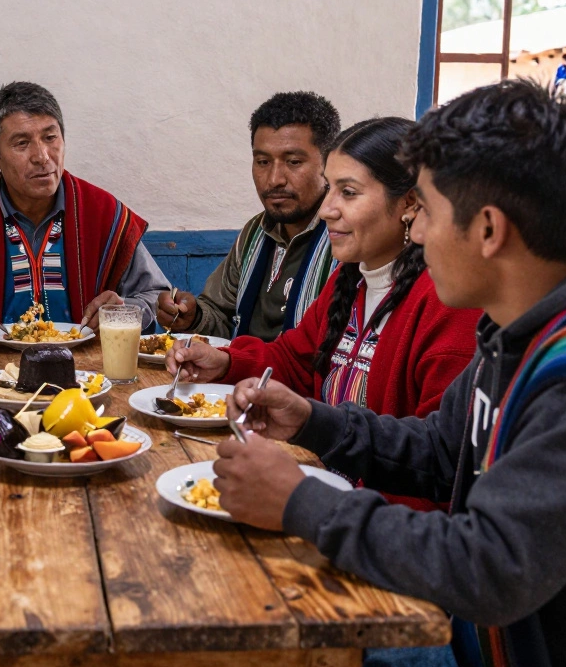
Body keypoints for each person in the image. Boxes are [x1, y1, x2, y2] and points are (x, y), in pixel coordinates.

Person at [214, 80, 566, 667]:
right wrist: (313, 420)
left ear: (487, 229)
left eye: (425, 208)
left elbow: (491, 567)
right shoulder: (524, 328)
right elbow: (440, 449)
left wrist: (300, 501)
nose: (417, 232)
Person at [168, 117, 480, 511]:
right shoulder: (351, 281)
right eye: (330, 188)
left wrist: (312, 503)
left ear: (410, 203)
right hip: (325, 500)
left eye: (348, 193)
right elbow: (294, 360)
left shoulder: (448, 305)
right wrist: (226, 362)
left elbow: (436, 467)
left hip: (375, 529)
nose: (328, 209)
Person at [0, 81, 170, 331]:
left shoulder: (102, 213)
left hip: (90, 374)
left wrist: (123, 311)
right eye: (22, 143)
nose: (42, 157)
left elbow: (159, 298)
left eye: (50, 138)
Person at [157, 91, 340, 341]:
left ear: (329, 165)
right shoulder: (255, 233)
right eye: (263, 161)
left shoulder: (346, 239)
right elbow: (220, 315)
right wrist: (194, 317)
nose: (275, 179)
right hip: (241, 377)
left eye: (294, 162)